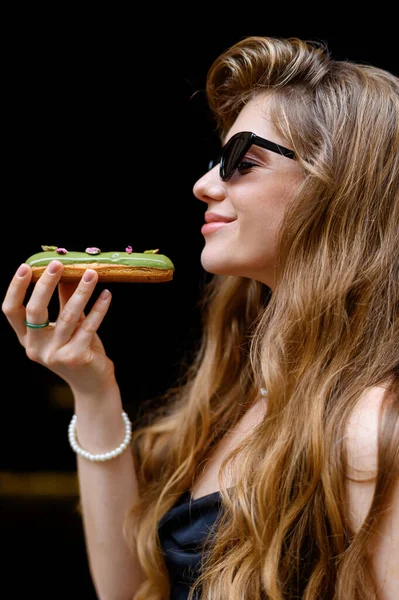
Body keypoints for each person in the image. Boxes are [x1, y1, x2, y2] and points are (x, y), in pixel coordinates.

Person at [2, 35, 398, 600]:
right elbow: (128, 589)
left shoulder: (370, 432)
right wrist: (92, 390)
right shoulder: (240, 387)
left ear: (338, 188)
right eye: (216, 160)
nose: (204, 184)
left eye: (244, 161)